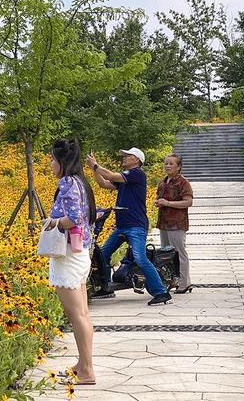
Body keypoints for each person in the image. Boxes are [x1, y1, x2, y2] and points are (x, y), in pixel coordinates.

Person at [86, 147, 173, 306]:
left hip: (136, 226)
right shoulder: (125, 179)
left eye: (128, 156)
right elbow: (103, 183)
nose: (124, 158)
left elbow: (111, 175)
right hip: (122, 226)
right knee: (102, 254)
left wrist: (95, 165)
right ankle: (106, 288)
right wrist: (95, 170)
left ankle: (161, 292)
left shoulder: (136, 174)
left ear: (137, 160)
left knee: (140, 257)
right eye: (124, 155)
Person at [43, 138, 96, 385]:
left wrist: (52, 223)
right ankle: (82, 364)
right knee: (82, 313)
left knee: (77, 316)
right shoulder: (80, 182)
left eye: (53, 160)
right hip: (80, 253)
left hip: (68, 256)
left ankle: (86, 371)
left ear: (62, 161)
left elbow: (73, 219)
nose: (51, 164)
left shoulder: (67, 182)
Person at [154, 153, 194, 293]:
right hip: (164, 222)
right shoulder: (163, 181)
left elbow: (188, 202)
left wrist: (168, 203)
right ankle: (172, 280)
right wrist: (158, 202)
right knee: (166, 254)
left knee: (179, 253)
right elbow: (159, 197)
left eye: (171, 163)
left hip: (177, 223)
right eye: (166, 163)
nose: (168, 166)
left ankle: (185, 282)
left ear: (179, 167)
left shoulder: (183, 182)